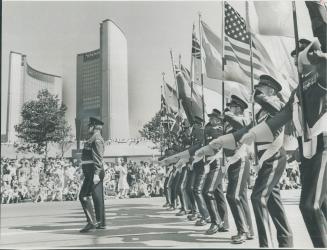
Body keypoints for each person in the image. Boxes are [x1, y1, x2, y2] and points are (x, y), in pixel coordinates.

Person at [241, 39, 327, 247]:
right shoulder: (299, 87)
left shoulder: (320, 75)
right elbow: (282, 116)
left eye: (298, 54)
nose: (295, 58)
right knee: (322, 205)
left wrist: (318, 57)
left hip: (322, 145)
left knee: (309, 206)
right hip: (307, 149)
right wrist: (253, 133)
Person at [196, 95, 254, 244]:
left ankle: (243, 231)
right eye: (229, 107)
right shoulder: (228, 125)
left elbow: (241, 127)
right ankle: (248, 230)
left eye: (232, 107)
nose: (229, 108)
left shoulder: (243, 120)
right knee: (239, 197)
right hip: (232, 162)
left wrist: (226, 115)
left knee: (233, 196)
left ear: (239, 108)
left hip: (240, 160)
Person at [79, 117, 106, 232]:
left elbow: (99, 158)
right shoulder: (93, 138)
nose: (88, 127)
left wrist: (96, 173)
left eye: (89, 125)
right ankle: (100, 222)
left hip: (94, 171)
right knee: (96, 197)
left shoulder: (96, 138)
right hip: (90, 171)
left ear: (94, 126)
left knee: (84, 196)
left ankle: (92, 222)